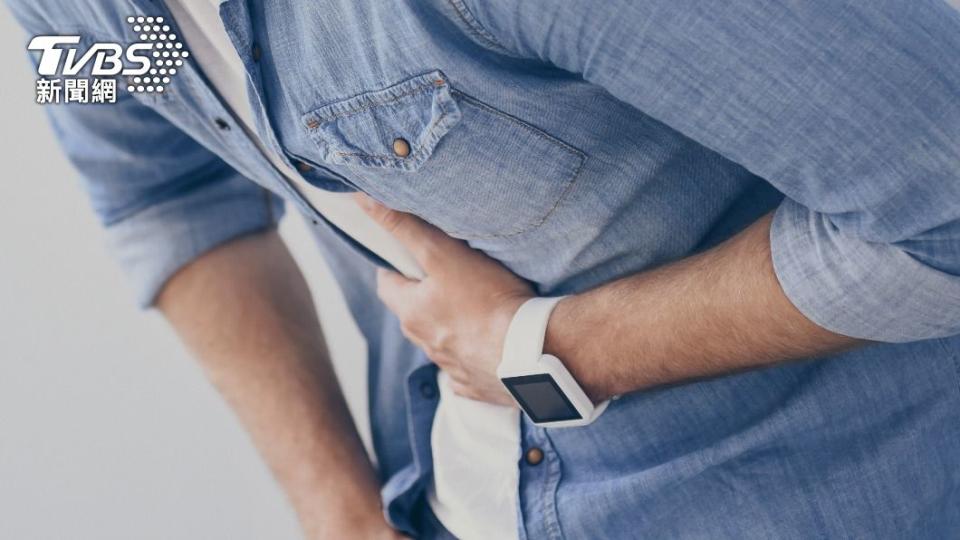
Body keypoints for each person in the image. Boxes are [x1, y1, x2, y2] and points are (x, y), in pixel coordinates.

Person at [8, 0, 960, 538]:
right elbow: (162, 192)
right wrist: (339, 515)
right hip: (443, 503)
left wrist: (546, 352)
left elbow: (946, 214)